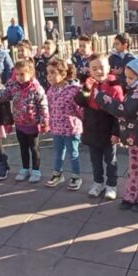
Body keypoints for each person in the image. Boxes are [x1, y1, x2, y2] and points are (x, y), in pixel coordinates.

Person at [93, 50, 138, 212]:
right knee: (134, 167)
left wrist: (102, 98)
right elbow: (124, 88)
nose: (127, 81)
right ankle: (132, 195)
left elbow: (124, 110)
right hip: (135, 137)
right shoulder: (137, 89)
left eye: (131, 78)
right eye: (127, 77)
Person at [0, 59, 50, 183]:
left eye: (22, 74)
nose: (19, 77)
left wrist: (45, 121)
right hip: (19, 124)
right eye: (17, 74)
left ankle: (36, 170)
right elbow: (3, 94)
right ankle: (25, 169)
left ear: (31, 73)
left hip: (32, 124)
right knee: (23, 148)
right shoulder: (14, 87)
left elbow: (43, 105)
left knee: (34, 148)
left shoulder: (36, 89)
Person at [73, 54, 123, 195]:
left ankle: (111, 185)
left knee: (111, 161)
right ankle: (98, 183)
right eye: (94, 68)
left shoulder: (115, 86)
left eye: (101, 67)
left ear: (108, 68)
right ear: (90, 70)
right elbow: (79, 101)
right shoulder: (89, 84)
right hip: (92, 131)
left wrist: (116, 132)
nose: (98, 71)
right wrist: (86, 89)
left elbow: (119, 113)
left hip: (108, 132)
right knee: (95, 161)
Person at [44, 59, 86, 192]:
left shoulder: (74, 90)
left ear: (63, 74)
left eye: (52, 73)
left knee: (73, 153)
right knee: (58, 153)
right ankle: (58, 173)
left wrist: (84, 123)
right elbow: (49, 108)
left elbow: (80, 110)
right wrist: (48, 122)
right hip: (57, 128)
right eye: (48, 73)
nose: (49, 76)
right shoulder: (51, 90)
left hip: (71, 129)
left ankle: (76, 176)